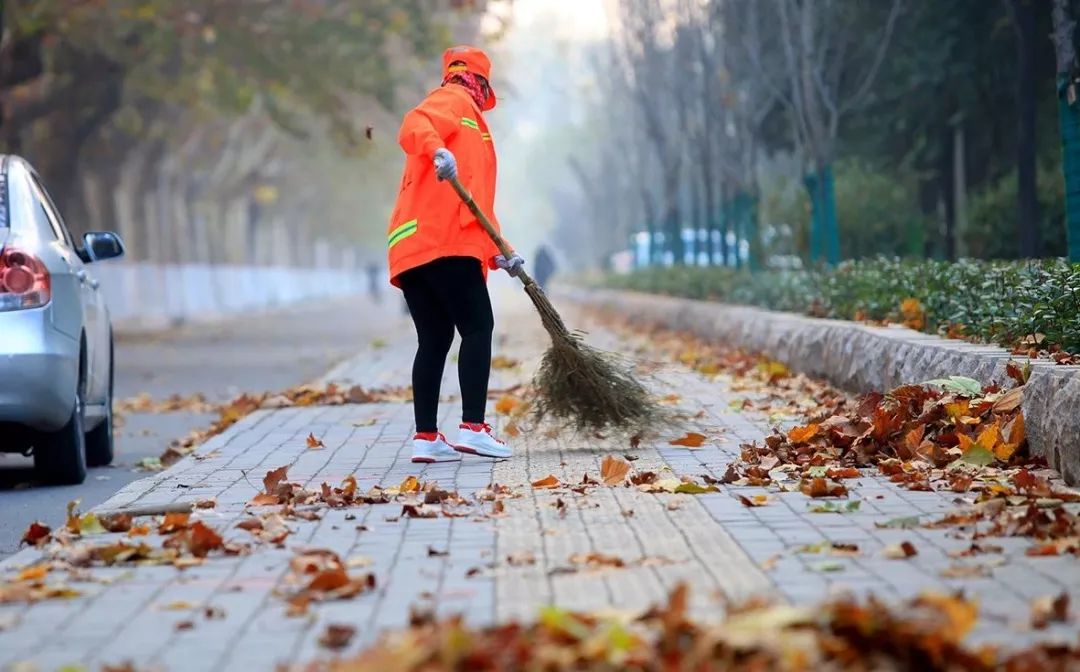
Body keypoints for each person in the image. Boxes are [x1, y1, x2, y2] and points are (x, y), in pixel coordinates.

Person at [386, 45, 524, 464]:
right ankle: (473, 428)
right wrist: (435, 149)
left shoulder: (470, 122)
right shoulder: (455, 102)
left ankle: (426, 437)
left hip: (412, 247)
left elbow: (475, 204)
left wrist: (504, 252)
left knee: (434, 338)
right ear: (479, 81)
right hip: (443, 242)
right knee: (478, 326)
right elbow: (415, 123)